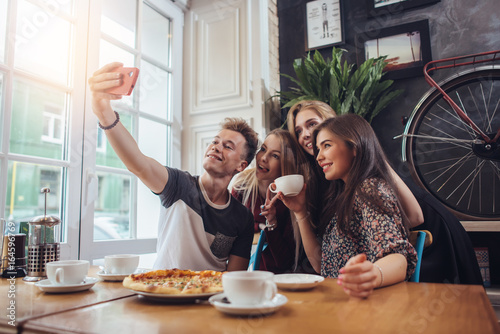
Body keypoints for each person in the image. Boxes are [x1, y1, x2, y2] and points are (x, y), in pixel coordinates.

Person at [88, 62, 259, 271]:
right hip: (163, 292)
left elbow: (235, 278)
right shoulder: (179, 184)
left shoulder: (242, 218)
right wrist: (104, 112)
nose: (216, 147)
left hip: (210, 296)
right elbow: (139, 164)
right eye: (215, 141)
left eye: (228, 146)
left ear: (241, 165)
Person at [278, 114, 417, 298]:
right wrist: (300, 212)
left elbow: (398, 258)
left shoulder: (369, 189)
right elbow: (323, 266)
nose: (319, 157)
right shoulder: (344, 197)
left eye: (327, 145)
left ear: (355, 147)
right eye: (318, 149)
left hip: (367, 309)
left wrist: (372, 274)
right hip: (341, 304)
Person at [286, 100, 424, 228]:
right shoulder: (319, 178)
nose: (305, 134)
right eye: (298, 131)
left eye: (312, 124)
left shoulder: (370, 180)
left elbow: (415, 217)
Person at [231, 129, 308, 273]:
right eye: (263, 149)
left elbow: (284, 262)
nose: (263, 158)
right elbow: (229, 231)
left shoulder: (291, 200)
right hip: (242, 275)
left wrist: (272, 223)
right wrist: (260, 226)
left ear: (286, 164)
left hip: (278, 279)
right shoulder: (242, 187)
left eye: (275, 156)